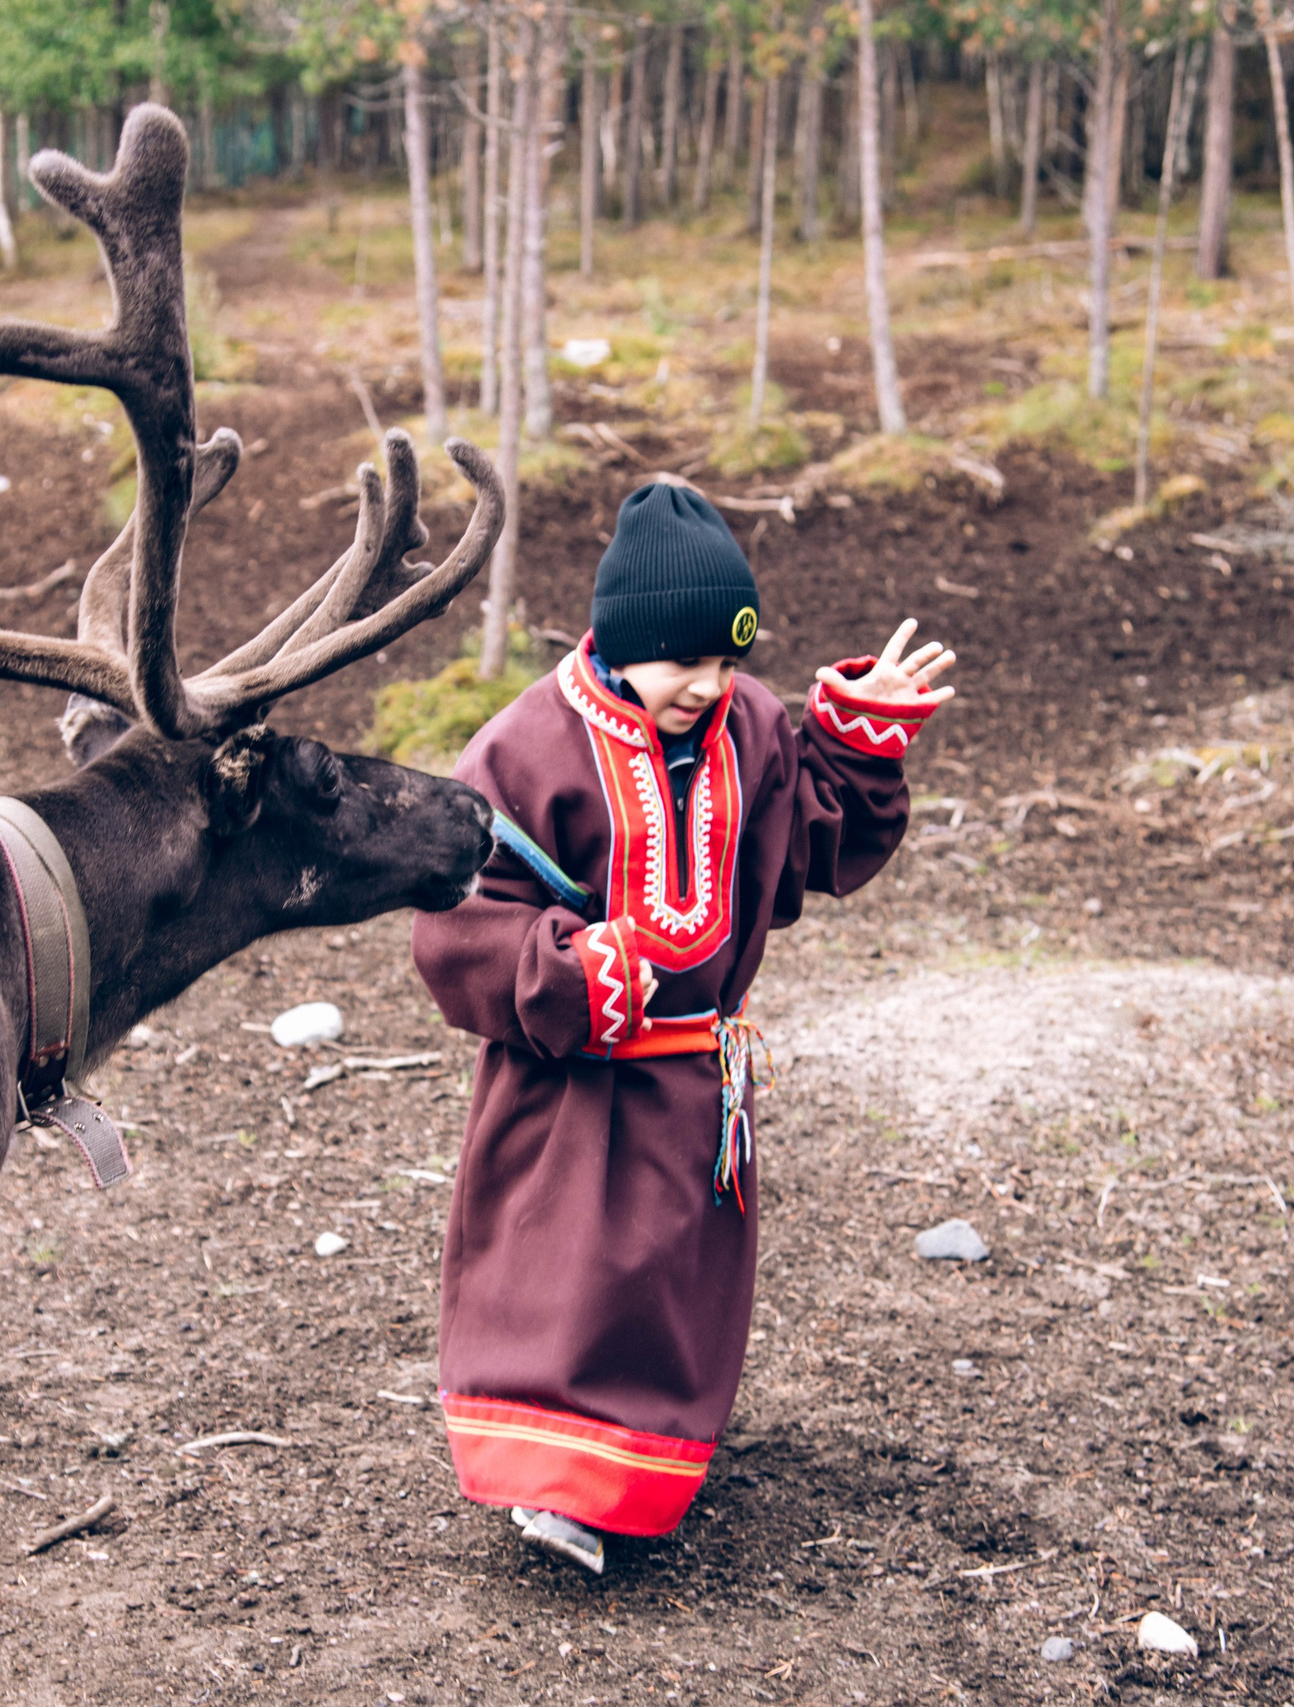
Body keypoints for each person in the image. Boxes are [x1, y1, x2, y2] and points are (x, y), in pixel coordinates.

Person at [410, 480, 954, 1573]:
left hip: (699, 1086)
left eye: (726, 663)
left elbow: (804, 849)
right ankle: (550, 1490)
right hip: (570, 1087)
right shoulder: (524, 749)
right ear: (620, 641)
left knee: (669, 1287)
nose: (706, 687)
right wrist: (561, 971)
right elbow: (458, 918)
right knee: (559, 1272)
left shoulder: (748, 725)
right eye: (684, 664)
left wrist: (857, 742)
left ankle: (633, 1477)